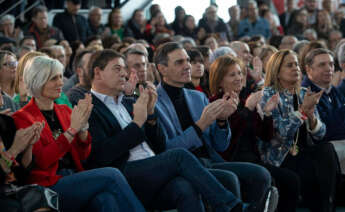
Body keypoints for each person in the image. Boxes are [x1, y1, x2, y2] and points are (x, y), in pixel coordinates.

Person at [86, 49, 246, 212]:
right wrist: (136, 124)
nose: (124, 74)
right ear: (98, 73)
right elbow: (102, 155)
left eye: (124, 69)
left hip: (153, 165)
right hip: (124, 172)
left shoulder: (127, 102)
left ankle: (230, 205)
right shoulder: (89, 108)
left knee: (185, 188)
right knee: (179, 156)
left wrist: (150, 116)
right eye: (117, 69)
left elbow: (159, 144)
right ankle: (231, 206)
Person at [12, 55, 147, 212]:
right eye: (54, 79)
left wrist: (83, 133)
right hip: (48, 185)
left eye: (61, 77)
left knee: (106, 199)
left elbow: (83, 156)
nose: (61, 83)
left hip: (74, 177)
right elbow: (41, 162)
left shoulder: (64, 110)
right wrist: (71, 132)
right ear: (38, 81)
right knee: (112, 175)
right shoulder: (22, 117)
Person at [154, 42, 272, 211]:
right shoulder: (154, 103)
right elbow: (167, 150)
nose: (187, 65)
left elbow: (219, 145)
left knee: (261, 175)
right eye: (179, 62)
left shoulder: (197, 97)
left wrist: (222, 121)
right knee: (229, 179)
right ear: (162, 69)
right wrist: (200, 125)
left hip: (209, 161)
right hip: (183, 168)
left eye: (187, 60)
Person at [208, 55, 298, 212]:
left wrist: (268, 113)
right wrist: (248, 110)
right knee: (284, 180)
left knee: (291, 179)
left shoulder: (244, 101)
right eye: (232, 74)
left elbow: (265, 136)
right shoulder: (214, 102)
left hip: (252, 158)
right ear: (220, 80)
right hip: (230, 159)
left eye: (240, 73)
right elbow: (225, 143)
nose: (239, 78)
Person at [260, 49, 338, 212]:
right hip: (279, 154)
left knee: (326, 149)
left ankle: (327, 207)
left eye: (296, 64)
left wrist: (311, 118)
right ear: (277, 71)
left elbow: (320, 134)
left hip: (302, 150)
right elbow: (278, 134)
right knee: (309, 170)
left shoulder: (304, 93)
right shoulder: (267, 95)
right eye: (290, 65)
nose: (296, 68)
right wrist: (302, 111)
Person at [302, 48, 345, 174]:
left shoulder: (332, 90)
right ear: (309, 69)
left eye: (331, 64)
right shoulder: (306, 93)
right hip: (320, 149)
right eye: (322, 65)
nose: (329, 69)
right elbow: (323, 133)